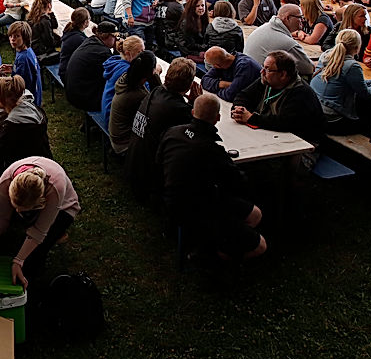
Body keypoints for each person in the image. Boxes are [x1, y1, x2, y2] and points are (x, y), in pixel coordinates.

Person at [158, 94, 266, 262]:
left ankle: (222, 239)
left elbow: (159, 162)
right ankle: (210, 254)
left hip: (170, 198)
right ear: (218, 118)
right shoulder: (210, 149)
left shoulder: (173, 132)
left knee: (255, 214)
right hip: (198, 207)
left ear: (193, 112)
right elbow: (237, 182)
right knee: (261, 246)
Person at [0, 157, 81, 287]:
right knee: (3, 242)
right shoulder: (6, 180)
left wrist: (18, 261)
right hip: (34, 205)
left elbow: (39, 232)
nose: (17, 210)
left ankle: (32, 286)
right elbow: (1, 218)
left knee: (36, 253)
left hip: (64, 208)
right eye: (15, 207)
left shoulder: (55, 188)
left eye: (21, 210)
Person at [124, 58, 200, 201]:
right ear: (189, 84)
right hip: (149, 179)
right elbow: (197, 133)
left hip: (133, 165)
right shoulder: (177, 109)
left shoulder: (157, 92)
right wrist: (196, 105)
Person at [231, 49, 324, 142]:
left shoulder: (301, 93)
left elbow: (285, 122)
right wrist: (239, 109)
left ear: (283, 74)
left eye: (267, 69)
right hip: (270, 135)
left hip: (303, 145)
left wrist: (251, 118)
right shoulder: (266, 80)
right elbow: (242, 95)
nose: (262, 72)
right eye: (263, 67)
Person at [309, 30, 371, 132]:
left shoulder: (325, 56)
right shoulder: (352, 66)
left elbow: (348, 82)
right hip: (332, 119)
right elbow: (365, 94)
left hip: (315, 112)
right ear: (357, 48)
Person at [108, 51, 159, 155]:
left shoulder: (127, 78)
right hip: (123, 144)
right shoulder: (137, 95)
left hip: (116, 134)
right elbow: (157, 105)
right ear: (149, 73)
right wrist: (156, 78)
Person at [244, 4, 315, 77]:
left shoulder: (265, 27)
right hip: (262, 82)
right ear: (287, 18)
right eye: (300, 17)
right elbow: (309, 68)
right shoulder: (288, 43)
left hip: (248, 74)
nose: (303, 20)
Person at [64, 20, 118, 111]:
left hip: (73, 92)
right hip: (84, 99)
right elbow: (115, 73)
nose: (116, 40)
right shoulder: (102, 53)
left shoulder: (90, 41)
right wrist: (118, 51)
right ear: (106, 36)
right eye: (115, 36)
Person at [6, 21, 42, 106]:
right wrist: (13, 69)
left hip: (28, 100)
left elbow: (20, 84)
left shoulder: (23, 58)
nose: (12, 39)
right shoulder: (26, 50)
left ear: (25, 38)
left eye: (17, 36)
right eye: (10, 36)